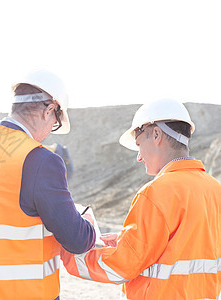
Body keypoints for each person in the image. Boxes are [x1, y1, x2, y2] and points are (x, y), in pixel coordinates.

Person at [0, 70, 96, 300]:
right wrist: (87, 224)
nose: (50, 132)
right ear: (49, 111)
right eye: (55, 123)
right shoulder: (40, 160)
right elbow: (76, 239)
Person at [61, 99, 221, 299]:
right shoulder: (214, 189)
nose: (138, 157)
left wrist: (70, 254)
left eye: (139, 145)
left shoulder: (157, 192)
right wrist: (125, 240)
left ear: (156, 134)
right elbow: (186, 247)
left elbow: (122, 266)